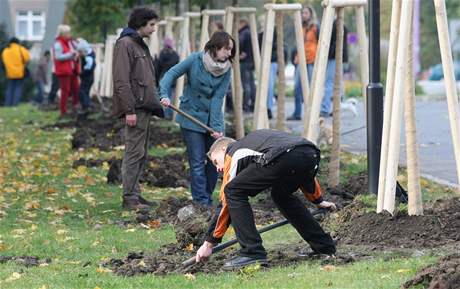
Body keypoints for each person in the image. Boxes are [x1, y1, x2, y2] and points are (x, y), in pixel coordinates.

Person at [195, 129, 337, 269]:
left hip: (285, 156)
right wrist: (318, 200)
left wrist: (209, 243)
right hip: (310, 153)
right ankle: (324, 246)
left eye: (215, 162)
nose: (218, 168)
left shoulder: (233, 152)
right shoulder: (259, 143)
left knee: (232, 191)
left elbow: (225, 201)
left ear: (224, 148)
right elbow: (299, 162)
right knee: (281, 195)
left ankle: (252, 253)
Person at [159, 31, 235, 207]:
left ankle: (206, 197)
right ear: (216, 47)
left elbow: (218, 99)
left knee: (214, 162)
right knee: (197, 161)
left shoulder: (226, 69)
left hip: (211, 122)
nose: (229, 53)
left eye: (231, 50)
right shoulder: (195, 60)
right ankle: (201, 202)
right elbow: (170, 74)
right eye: (227, 49)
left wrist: (217, 128)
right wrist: (164, 94)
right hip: (191, 118)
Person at [112, 7, 164, 210]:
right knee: (133, 153)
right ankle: (129, 198)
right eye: (151, 25)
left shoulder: (138, 44)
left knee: (140, 152)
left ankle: (135, 193)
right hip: (136, 108)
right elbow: (121, 80)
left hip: (144, 107)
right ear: (140, 23)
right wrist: (129, 110)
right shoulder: (125, 44)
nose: (153, 29)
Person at [288, 6, 319, 121]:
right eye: (302, 13)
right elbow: (298, 44)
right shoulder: (300, 27)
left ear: (311, 14)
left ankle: (311, 114)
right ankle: (297, 113)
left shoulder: (316, 27)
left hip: (311, 61)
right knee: (297, 87)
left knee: (310, 89)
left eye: (306, 13)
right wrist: (295, 57)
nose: (303, 15)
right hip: (300, 61)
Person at [321, 17, 348, 117]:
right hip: (338, 57)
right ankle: (336, 108)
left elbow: (335, 42)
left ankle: (325, 108)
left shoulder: (335, 24)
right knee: (337, 82)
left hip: (334, 57)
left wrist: (327, 55)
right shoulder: (341, 24)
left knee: (329, 82)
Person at [53, 24, 80, 117]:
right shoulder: (58, 44)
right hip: (64, 71)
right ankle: (63, 111)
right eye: (68, 33)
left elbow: (77, 48)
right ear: (63, 34)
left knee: (76, 89)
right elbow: (58, 57)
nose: (70, 34)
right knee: (65, 91)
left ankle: (75, 107)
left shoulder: (69, 42)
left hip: (72, 70)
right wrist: (70, 54)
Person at [154, 37, 179, 119]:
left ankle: (164, 114)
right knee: (170, 98)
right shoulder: (175, 55)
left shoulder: (162, 54)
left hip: (163, 78)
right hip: (172, 80)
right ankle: (168, 114)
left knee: (163, 97)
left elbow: (159, 67)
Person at [1, 37, 30, 106]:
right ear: (18, 42)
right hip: (19, 73)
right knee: (17, 88)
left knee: (10, 88)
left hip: (10, 73)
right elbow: (27, 58)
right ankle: (15, 104)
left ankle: (8, 104)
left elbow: (3, 61)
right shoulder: (21, 49)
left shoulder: (6, 51)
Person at [238, 18, 256, 114]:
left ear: (243, 23)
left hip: (245, 61)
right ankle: (253, 104)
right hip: (251, 61)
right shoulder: (250, 31)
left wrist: (240, 53)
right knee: (251, 84)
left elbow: (240, 43)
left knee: (246, 84)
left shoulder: (244, 33)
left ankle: (245, 105)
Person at [76, 38, 96, 113]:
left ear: (85, 50)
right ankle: (87, 105)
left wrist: (81, 73)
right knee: (85, 92)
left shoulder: (89, 58)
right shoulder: (86, 55)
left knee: (82, 92)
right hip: (87, 78)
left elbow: (88, 69)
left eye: (80, 52)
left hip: (88, 78)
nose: (79, 54)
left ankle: (86, 106)